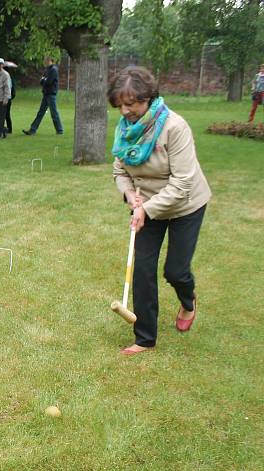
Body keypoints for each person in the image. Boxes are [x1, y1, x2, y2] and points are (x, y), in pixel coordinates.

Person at [108, 66, 211, 356]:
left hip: (185, 204)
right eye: (121, 106)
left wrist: (147, 210)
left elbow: (182, 183)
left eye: (131, 104)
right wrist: (130, 195)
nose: (125, 111)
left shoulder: (174, 127)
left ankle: (188, 300)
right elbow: (119, 170)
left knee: (176, 271)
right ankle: (144, 338)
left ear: (149, 98)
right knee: (142, 268)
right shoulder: (125, 130)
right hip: (145, 205)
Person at [23, 56, 64, 136]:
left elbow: (48, 81)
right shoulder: (47, 70)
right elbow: (41, 81)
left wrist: (44, 80)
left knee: (54, 113)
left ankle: (59, 130)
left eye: (46, 61)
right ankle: (32, 130)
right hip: (46, 93)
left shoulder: (53, 70)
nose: (45, 62)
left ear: (51, 61)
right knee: (40, 113)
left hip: (51, 94)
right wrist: (44, 80)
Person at [5, 68, 15, 134]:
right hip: (9, 97)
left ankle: (9, 129)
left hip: (7, 97)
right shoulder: (10, 78)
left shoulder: (8, 78)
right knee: (6, 114)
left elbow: (10, 88)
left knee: (6, 114)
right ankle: (9, 128)